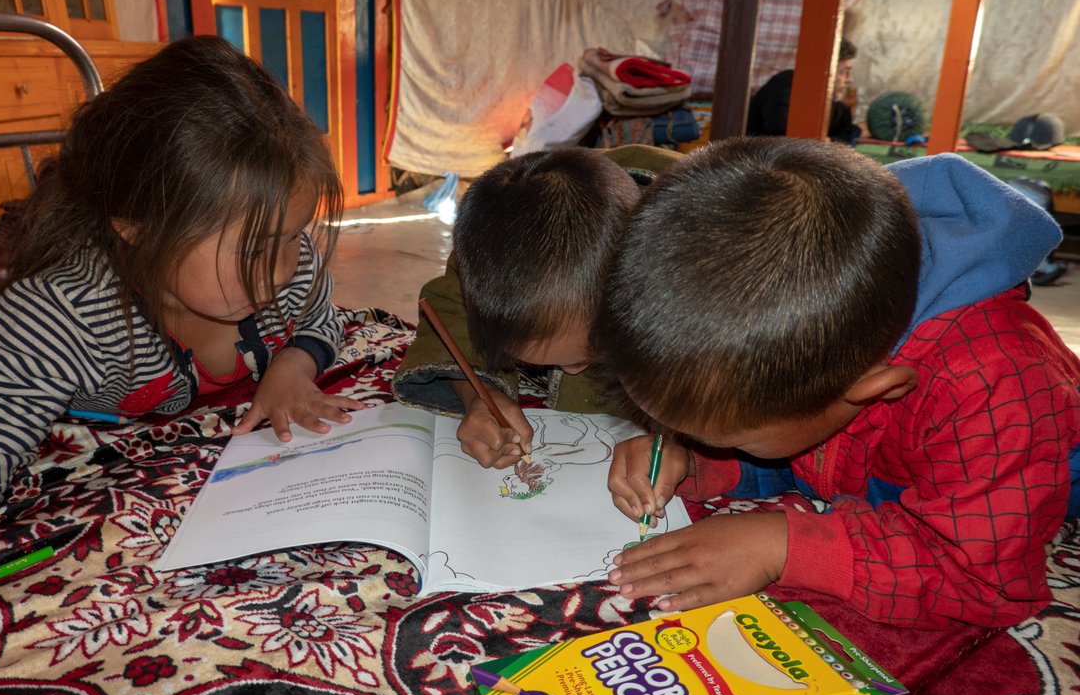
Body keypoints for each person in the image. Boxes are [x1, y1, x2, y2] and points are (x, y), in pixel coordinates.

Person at [0, 36, 363, 648]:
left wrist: (293, 365)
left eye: (293, 237)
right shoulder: (60, 318)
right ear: (134, 226)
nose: (281, 271)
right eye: (251, 251)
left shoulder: (289, 271)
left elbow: (321, 314)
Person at [597, 136, 1080, 628]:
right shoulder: (826, 358)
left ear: (874, 389)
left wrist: (784, 546)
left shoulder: (996, 386)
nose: (692, 440)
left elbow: (985, 581)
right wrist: (699, 464)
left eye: (718, 437)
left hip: (1021, 468)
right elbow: (809, 458)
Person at [393, 145, 689, 472]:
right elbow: (450, 311)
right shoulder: (500, 247)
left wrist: (690, 456)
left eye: (588, 355)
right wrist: (479, 396)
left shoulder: (702, 265)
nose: (574, 372)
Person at [746, 38, 861, 144]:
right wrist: (819, 141)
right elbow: (780, 130)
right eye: (844, 71)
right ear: (826, 69)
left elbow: (847, 131)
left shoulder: (831, 103)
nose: (850, 79)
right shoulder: (787, 83)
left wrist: (829, 141)